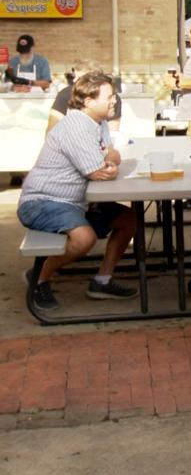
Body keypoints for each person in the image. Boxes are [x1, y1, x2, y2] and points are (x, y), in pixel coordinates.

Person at [17, 73, 138, 310]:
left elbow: (111, 155)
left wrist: (108, 161)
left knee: (128, 219)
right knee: (85, 238)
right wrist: (107, 163)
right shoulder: (77, 125)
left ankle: (102, 281)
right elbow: (98, 171)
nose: (114, 100)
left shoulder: (98, 122)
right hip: (42, 202)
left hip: (74, 202)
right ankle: (39, 278)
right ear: (88, 101)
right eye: (109, 96)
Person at [47, 60, 122, 134]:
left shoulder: (111, 99)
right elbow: (53, 127)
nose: (74, 80)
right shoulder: (65, 94)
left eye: (79, 78)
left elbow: (112, 130)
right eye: (74, 76)